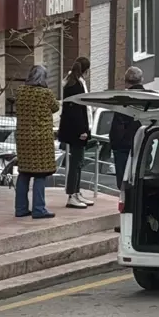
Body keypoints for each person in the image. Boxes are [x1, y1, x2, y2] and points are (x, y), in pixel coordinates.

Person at [13, 65, 60, 219]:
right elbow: (55, 107)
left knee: (24, 173)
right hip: (41, 140)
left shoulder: (20, 92)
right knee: (40, 174)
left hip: (23, 139)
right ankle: (39, 209)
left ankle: (20, 208)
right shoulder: (45, 94)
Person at [58, 57, 93, 209]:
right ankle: (72, 194)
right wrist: (82, 130)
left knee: (78, 163)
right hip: (77, 131)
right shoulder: (75, 85)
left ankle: (76, 192)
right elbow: (77, 111)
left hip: (76, 129)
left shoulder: (73, 82)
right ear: (85, 70)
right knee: (75, 163)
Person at [108, 66, 145, 189]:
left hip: (124, 147)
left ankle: (126, 206)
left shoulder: (123, 99)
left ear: (126, 81)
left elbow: (117, 127)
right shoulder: (150, 98)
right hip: (144, 145)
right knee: (141, 180)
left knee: (124, 184)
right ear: (142, 80)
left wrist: (115, 146)